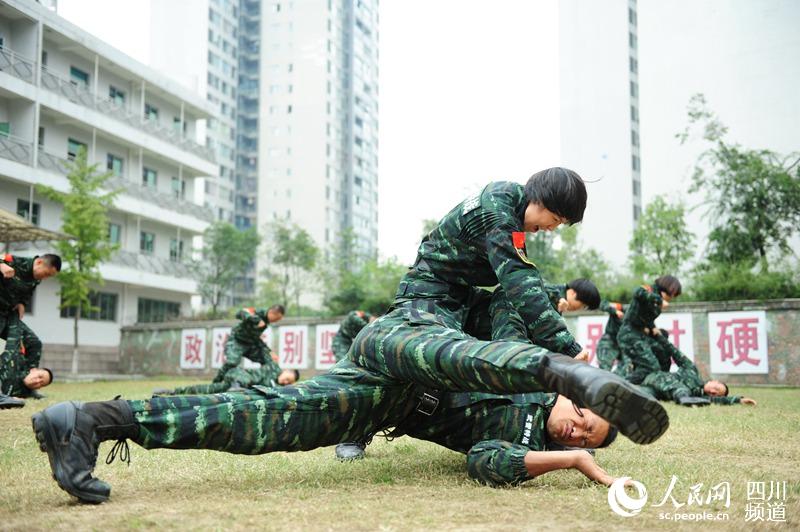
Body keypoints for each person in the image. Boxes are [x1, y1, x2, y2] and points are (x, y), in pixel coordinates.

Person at [348, 169, 668, 445]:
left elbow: (517, 288)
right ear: (541, 200)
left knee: (509, 311)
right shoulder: (499, 210)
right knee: (422, 365)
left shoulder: (512, 211)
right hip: (428, 298)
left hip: (460, 298)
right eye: (554, 220)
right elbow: (519, 281)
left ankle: (519, 361)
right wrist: (567, 349)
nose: (551, 229)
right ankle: (360, 425)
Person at [31, 360, 626, 504]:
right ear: (576, 397)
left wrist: (565, 463)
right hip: (380, 384)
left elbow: (485, 465)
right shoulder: (524, 364)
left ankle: (84, 417)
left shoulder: (528, 440)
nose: (574, 434)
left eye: (582, 441)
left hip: (378, 402)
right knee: (257, 420)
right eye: (583, 422)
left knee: (248, 405)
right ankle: (85, 421)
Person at [639, 335, 757, 407]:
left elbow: (718, 401)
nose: (713, 392)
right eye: (716, 388)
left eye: (716, 394)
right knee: (677, 386)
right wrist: (660, 337)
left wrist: (738, 400)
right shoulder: (692, 371)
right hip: (655, 377)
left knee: (640, 396)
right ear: (714, 381)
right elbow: (675, 353)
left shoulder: (698, 397)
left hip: (654, 390)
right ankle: (681, 397)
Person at [616, 275, 682, 385]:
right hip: (629, 335)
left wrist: (652, 328)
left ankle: (661, 384)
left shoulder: (658, 300)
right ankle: (621, 385)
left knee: (663, 354)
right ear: (670, 289)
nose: (673, 298)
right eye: (674, 294)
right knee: (651, 366)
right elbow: (637, 291)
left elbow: (646, 316)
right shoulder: (650, 290)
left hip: (640, 334)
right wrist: (659, 300)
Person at [0, 254, 61, 372]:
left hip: (9, 316)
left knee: (34, 343)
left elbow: (27, 293)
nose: (45, 278)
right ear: (39, 262)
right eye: (47, 274)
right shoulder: (14, 261)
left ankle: (27, 383)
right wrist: (1, 264)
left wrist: (22, 303)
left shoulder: (36, 279)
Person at [212, 304, 284, 383]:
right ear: (271, 313)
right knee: (231, 363)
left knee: (268, 360)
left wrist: (269, 351)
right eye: (276, 319)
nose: (276, 321)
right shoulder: (258, 312)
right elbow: (240, 313)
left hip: (250, 344)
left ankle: (265, 383)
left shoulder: (266, 321)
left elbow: (256, 338)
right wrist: (256, 319)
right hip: (237, 341)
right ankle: (216, 382)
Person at [0, 315, 54, 408]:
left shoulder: (25, 392)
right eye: (40, 376)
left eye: (41, 384)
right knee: (35, 344)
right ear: (34, 370)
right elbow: (29, 343)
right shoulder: (20, 361)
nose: (37, 381)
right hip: (9, 321)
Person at [158, 367, 299, 396]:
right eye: (287, 378)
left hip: (234, 389)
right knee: (247, 379)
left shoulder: (278, 388)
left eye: (289, 382)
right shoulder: (271, 370)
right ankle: (236, 387)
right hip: (237, 377)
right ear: (286, 370)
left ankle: (172, 392)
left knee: (205, 390)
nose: (286, 382)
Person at [596, 301, 624, 372]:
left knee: (627, 369)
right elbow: (602, 304)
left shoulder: (643, 317)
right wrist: (615, 311)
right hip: (610, 342)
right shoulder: (622, 308)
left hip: (623, 345)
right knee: (605, 370)